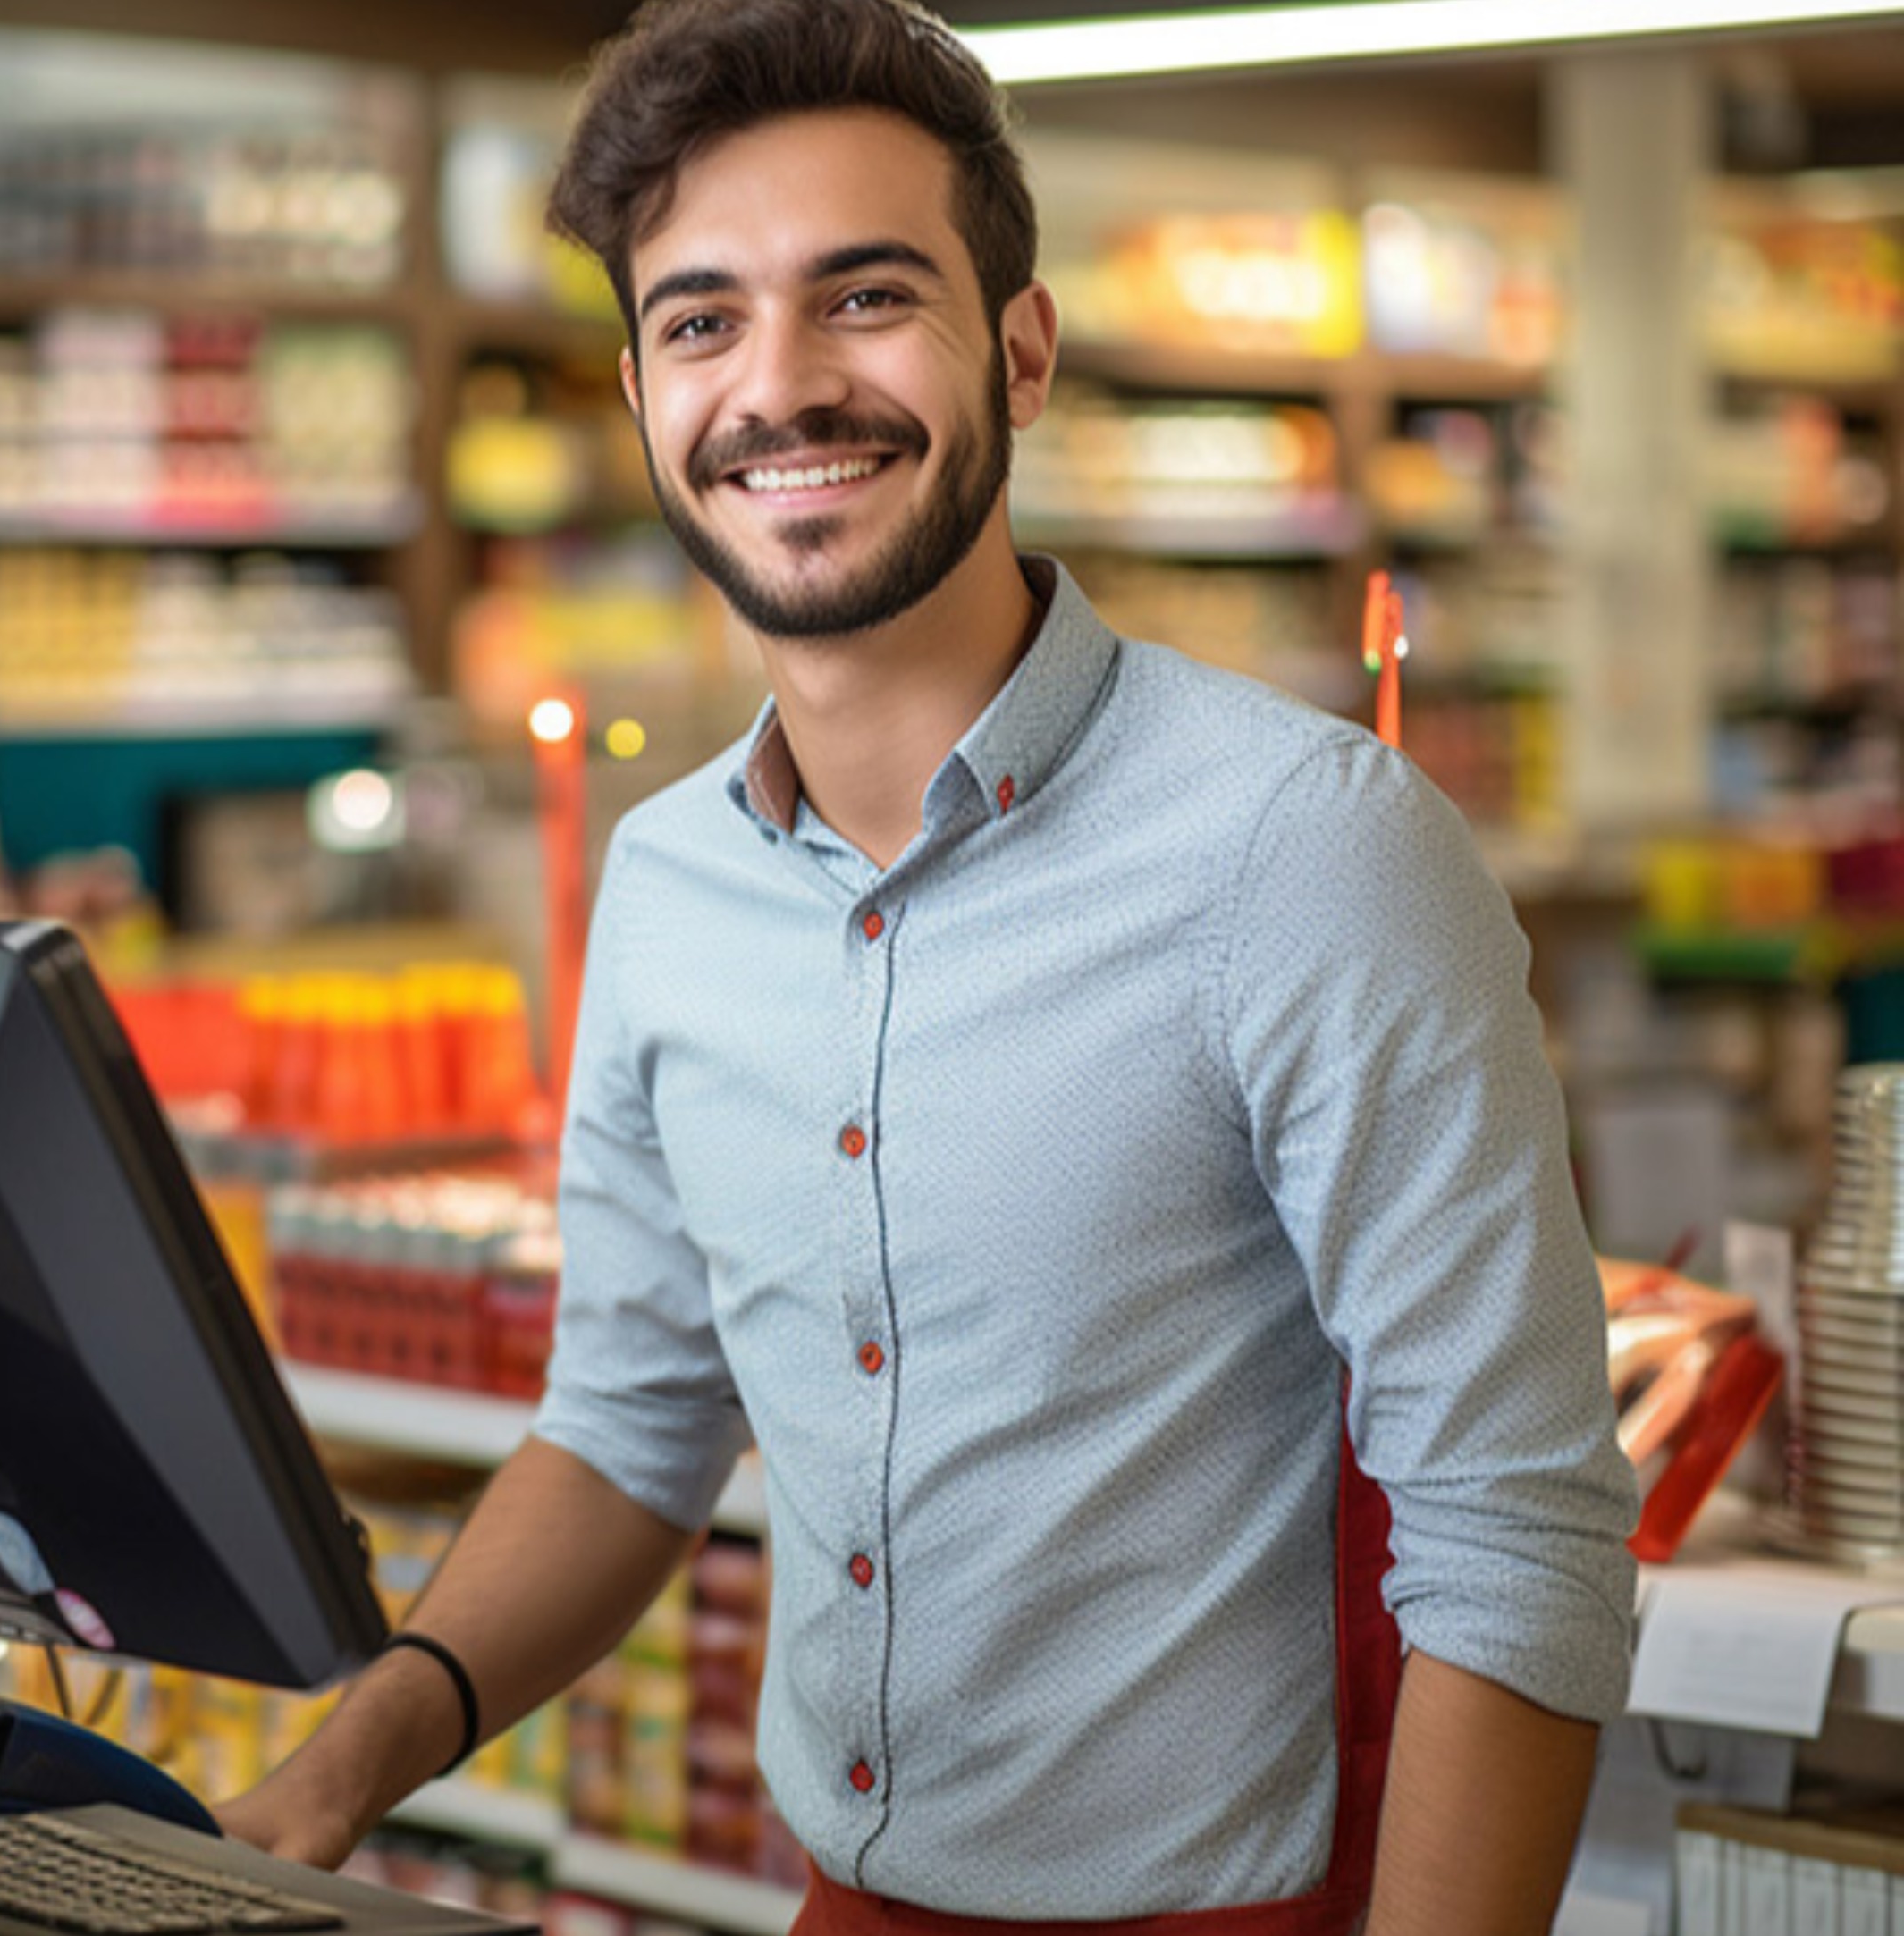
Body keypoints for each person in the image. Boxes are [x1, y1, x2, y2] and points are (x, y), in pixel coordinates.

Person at [216, 2, 1640, 1929]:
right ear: (638, 396)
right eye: (700, 319)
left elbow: (1514, 1524)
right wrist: (342, 1762)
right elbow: (630, 1424)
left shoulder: (1304, 848)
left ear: (1020, 351)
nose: (780, 385)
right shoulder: (662, 892)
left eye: (864, 296)